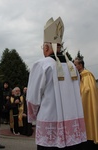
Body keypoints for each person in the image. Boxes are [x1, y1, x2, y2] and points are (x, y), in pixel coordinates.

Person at [26, 17, 87, 150]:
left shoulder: (41, 65)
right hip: (72, 127)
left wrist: (32, 117)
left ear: (47, 47)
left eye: (43, 47)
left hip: (49, 124)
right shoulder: (72, 66)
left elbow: (32, 99)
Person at [74, 57, 98, 149]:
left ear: (80, 65)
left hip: (86, 105)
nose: (74, 66)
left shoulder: (87, 75)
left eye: (76, 65)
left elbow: (87, 91)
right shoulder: (79, 76)